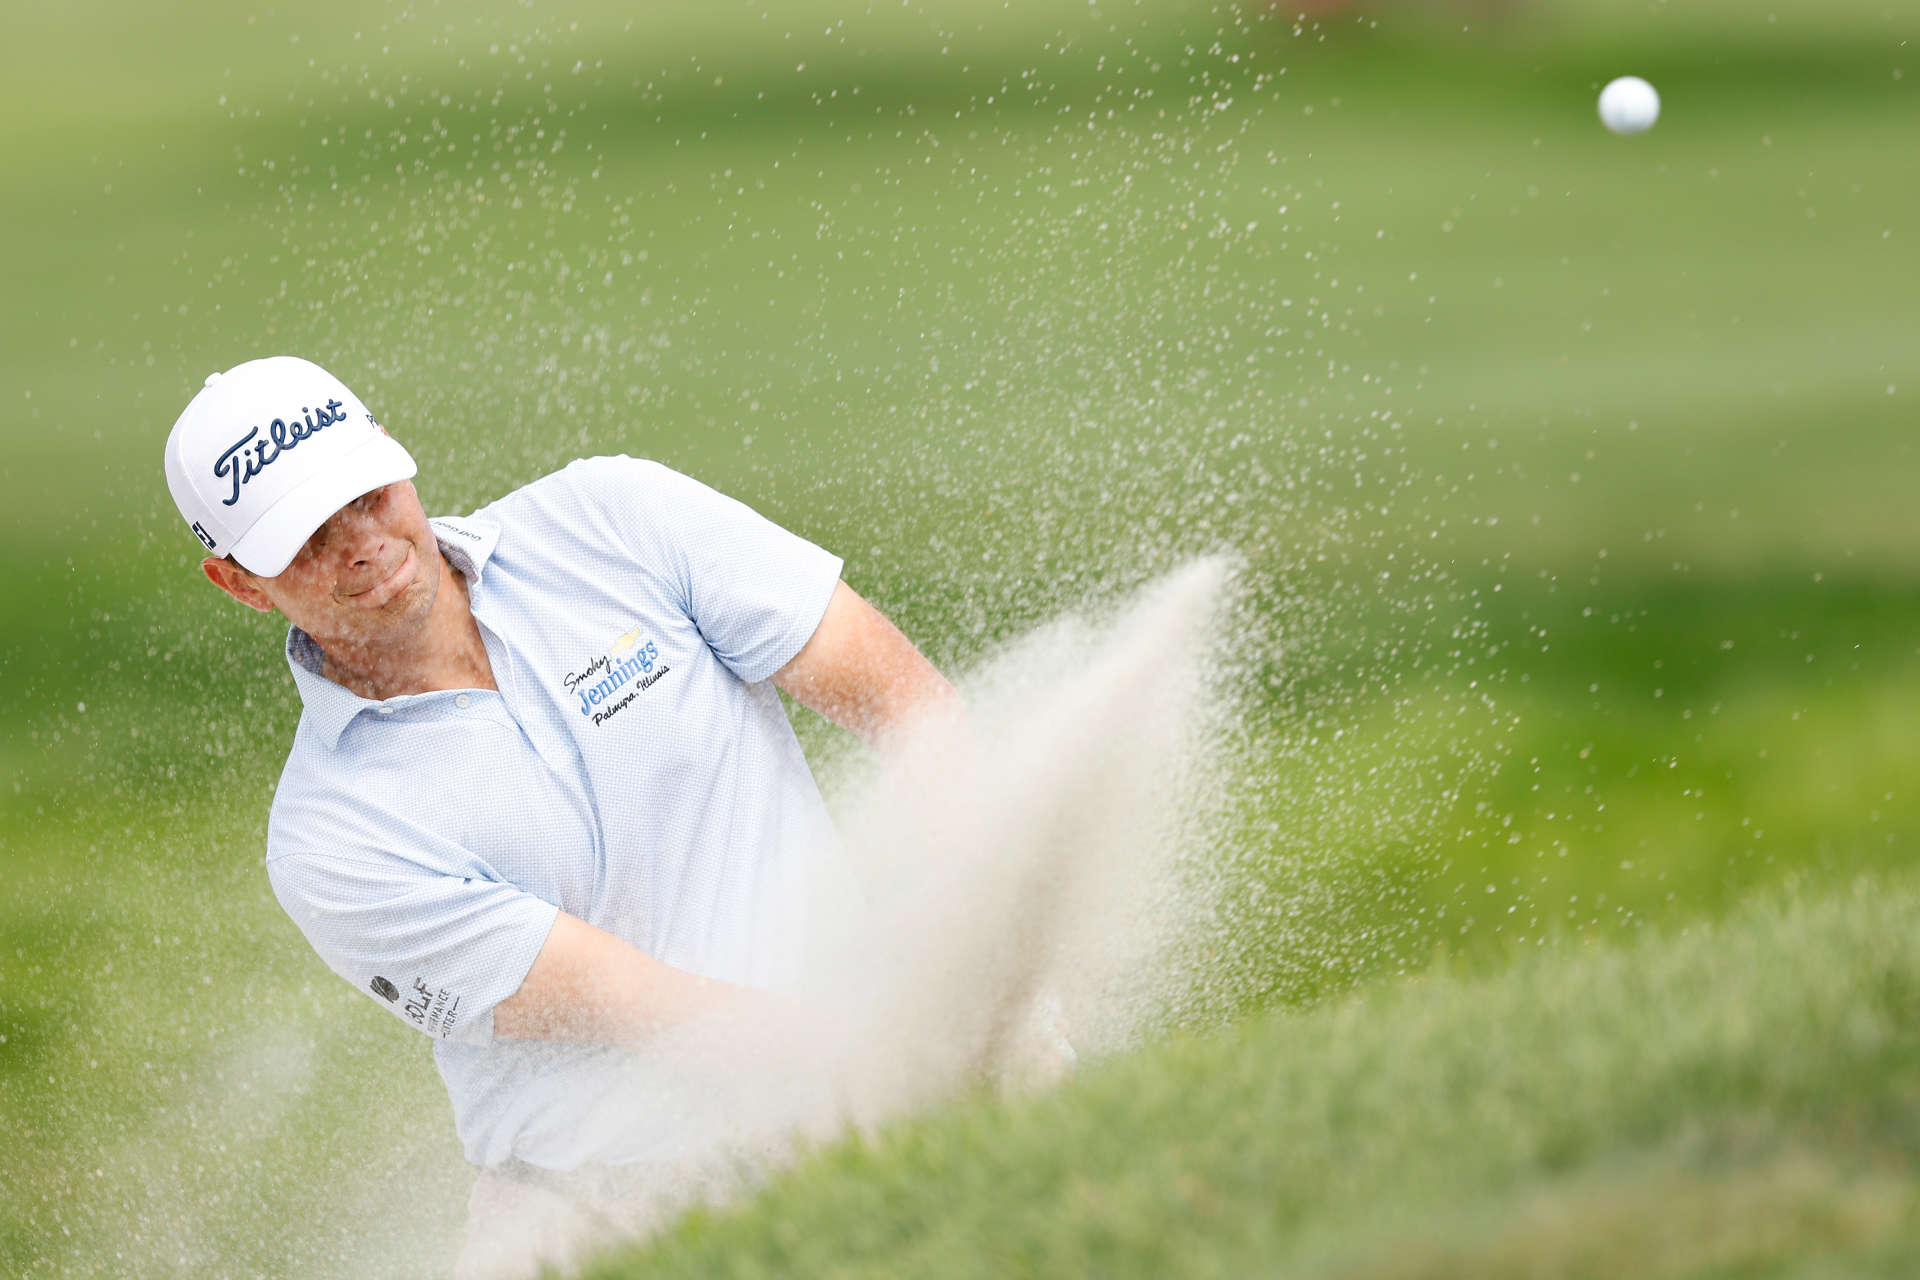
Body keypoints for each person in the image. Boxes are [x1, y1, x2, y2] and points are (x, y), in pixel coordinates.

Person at [163, 355, 966, 1277]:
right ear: (237, 583)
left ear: (391, 452)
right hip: (601, 1221)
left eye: (368, 494)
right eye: (305, 537)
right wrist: (904, 1047)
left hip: (855, 1090)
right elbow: (651, 1009)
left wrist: (992, 965)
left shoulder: (615, 518)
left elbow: (913, 711)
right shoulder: (332, 840)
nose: (362, 542)